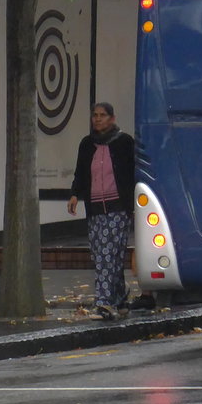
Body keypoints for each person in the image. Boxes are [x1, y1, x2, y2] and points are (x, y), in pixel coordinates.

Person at [67, 103, 136, 320]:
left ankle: (104, 303)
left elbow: (134, 171)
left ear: (112, 118)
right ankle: (121, 300)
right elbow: (81, 172)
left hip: (118, 207)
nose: (97, 119)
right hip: (95, 207)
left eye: (102, 116)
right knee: (104, 256)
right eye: (94, 115)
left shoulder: (124, 142)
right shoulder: (87, 144)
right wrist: (75, 194)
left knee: (108, 253)